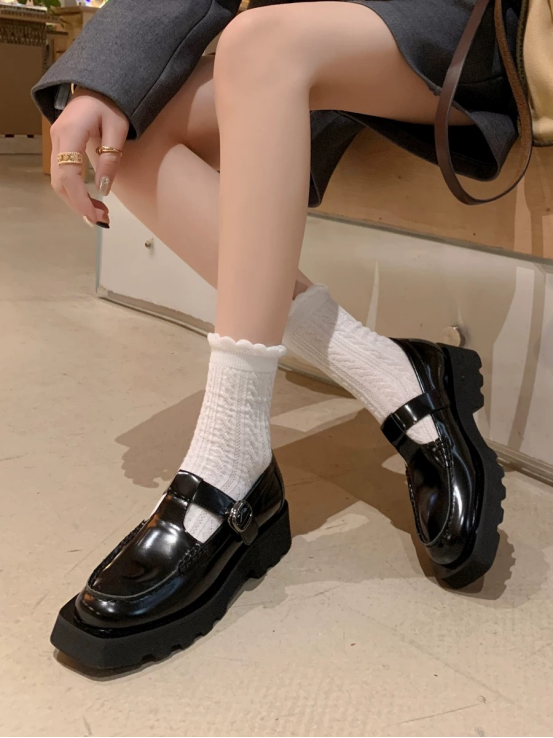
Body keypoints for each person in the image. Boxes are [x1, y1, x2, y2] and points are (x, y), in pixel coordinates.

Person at [33, 0, 517, 670]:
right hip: (308, 32)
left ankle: (232, 466)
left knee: (262, 42)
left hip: (455, 28)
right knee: (128, 122)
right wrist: (102, 82)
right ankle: (388, 374)